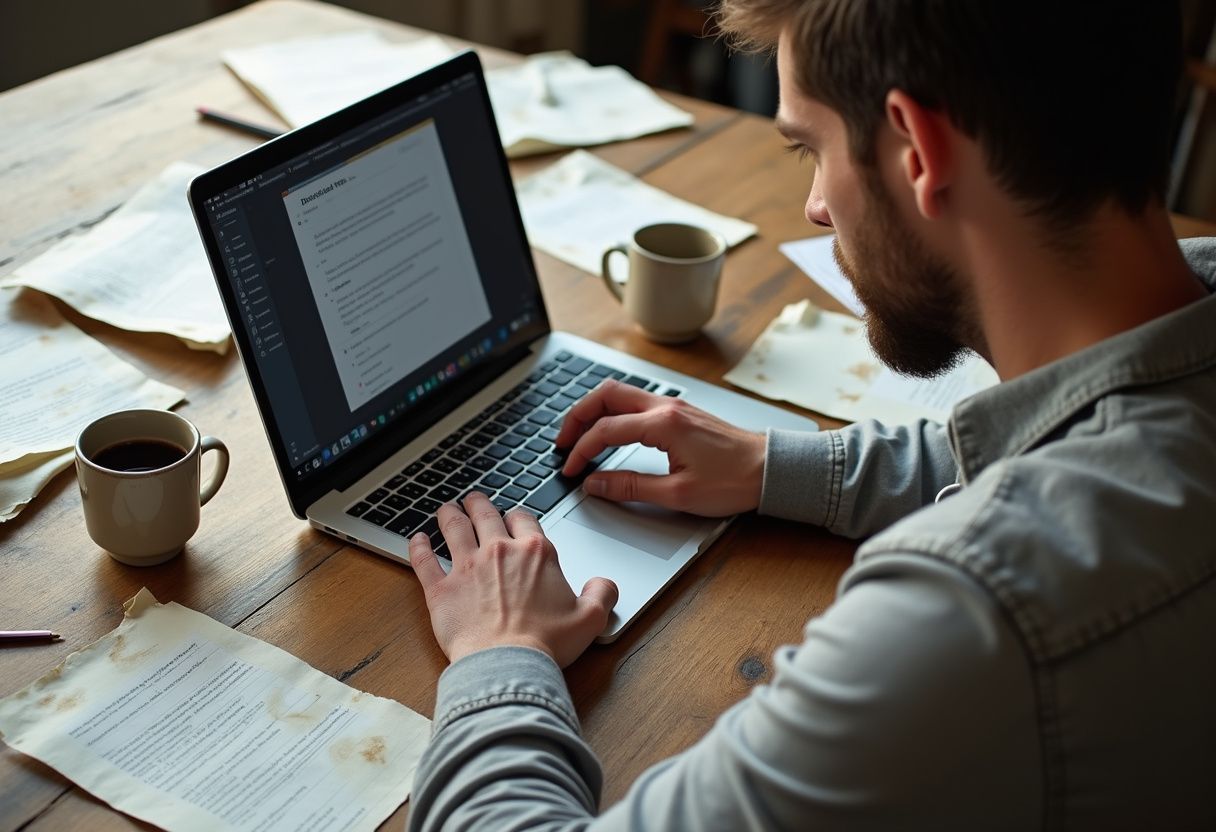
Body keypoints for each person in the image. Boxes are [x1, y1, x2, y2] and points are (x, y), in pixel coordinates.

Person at [405, 1, 1216, 829]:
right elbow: (1061, 444)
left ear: (917, 151)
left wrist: (500, 651)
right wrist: (773, 465)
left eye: (811, 149)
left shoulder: (975, 615)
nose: (817, 206)